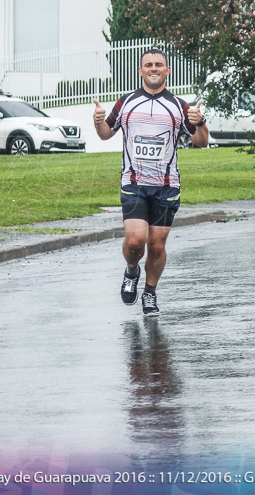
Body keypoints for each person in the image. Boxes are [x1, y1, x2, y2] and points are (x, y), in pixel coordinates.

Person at [93, 48, 208, 317]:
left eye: (159, 64)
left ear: (167, 71)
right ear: (140, 71)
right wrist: (97, 121)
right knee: (136, 241)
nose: (153, 68)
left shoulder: (180, 107)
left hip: (167, 185)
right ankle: (132, 270)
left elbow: (201, 141)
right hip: (133, 182)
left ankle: (150, 293)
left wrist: (200, 122)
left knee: (156, 246)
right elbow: (105, 134)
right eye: (148, 65)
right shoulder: (127, 102)